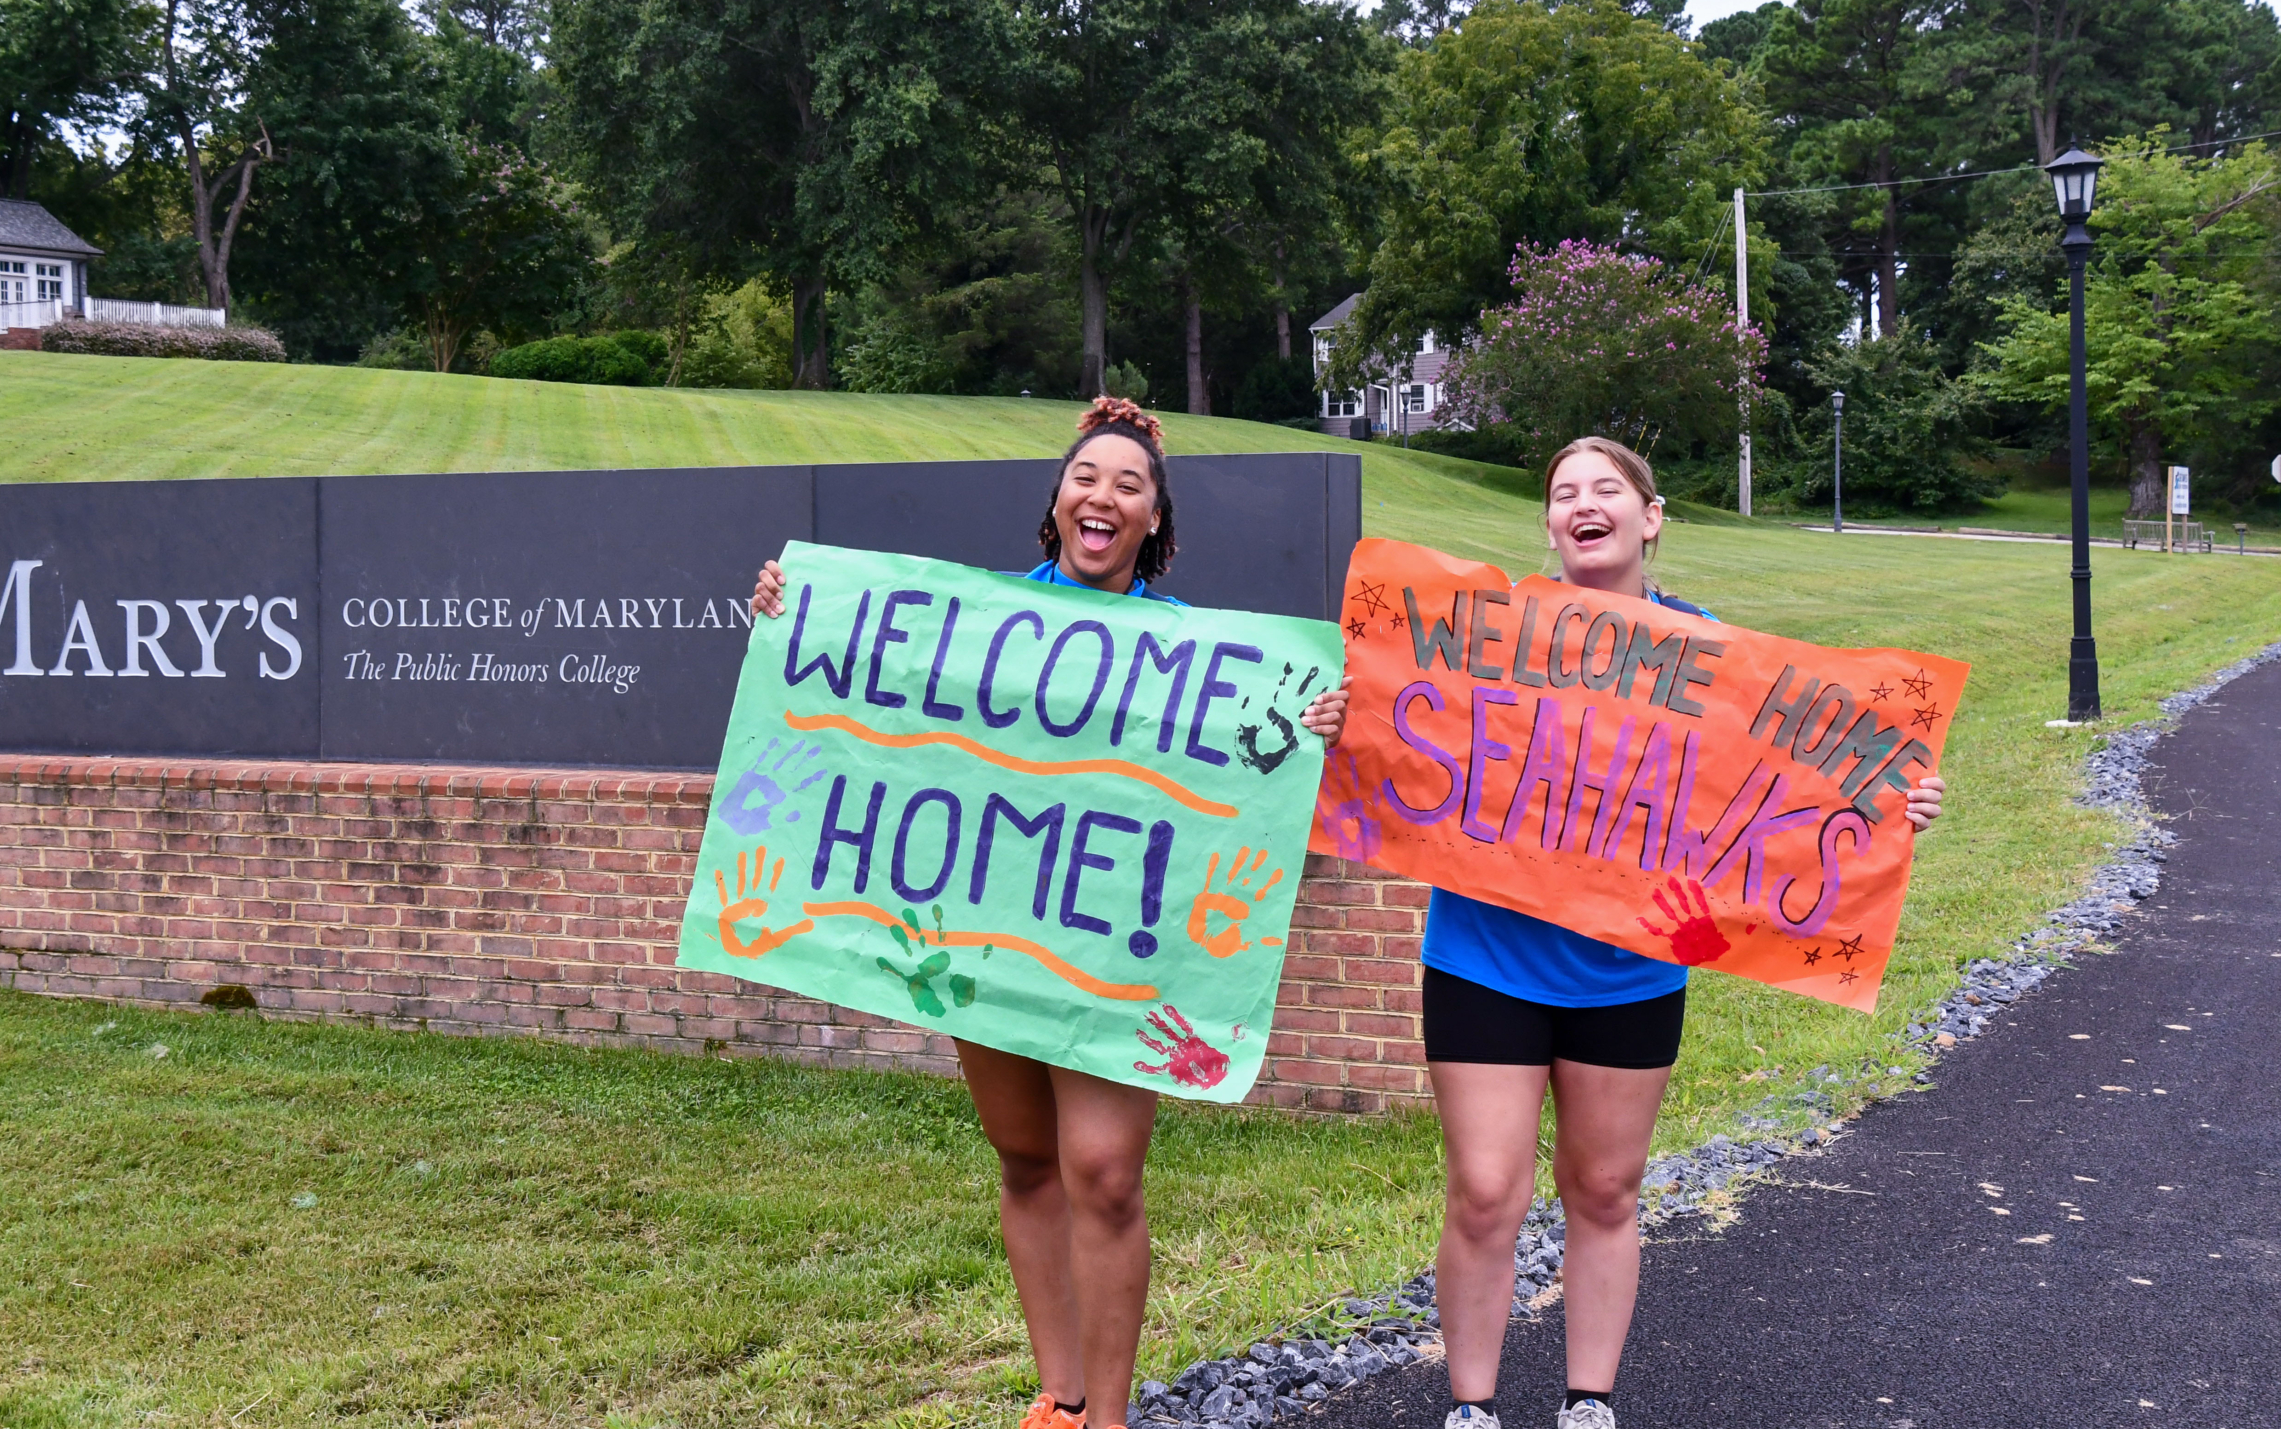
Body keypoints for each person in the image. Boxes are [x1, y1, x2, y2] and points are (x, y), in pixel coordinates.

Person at [751, 398, 1349, 1429]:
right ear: (1057, 500)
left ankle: (1108, 1418)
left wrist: (1312, 727)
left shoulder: (1187, 649)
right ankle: (1060, 1399)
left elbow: (1255, 761)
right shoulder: (977, 623)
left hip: (1117, 947)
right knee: (1026, 1160)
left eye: (1129, 484)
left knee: (1104, 1176)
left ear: (1154, 521)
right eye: (1087, 478)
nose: (1103, 495)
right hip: (990, 936)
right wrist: (788, 609)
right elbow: (867, 686)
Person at [1428, 437, 1946, 1429]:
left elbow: (1792, 790)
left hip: (1630, 966)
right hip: (1484, 953)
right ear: (1548, 524)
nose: (1582, 505)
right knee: (1486, 1192)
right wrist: (1339, 717)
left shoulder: (1718, 660)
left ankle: (1587, 1403)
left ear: (1649, 516)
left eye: (1604, 489)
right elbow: (1401, 739)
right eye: (1562, 494)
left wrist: (1893, 804)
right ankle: (1471, 1409)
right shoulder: (1486, 631)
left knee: (1607, 1187)